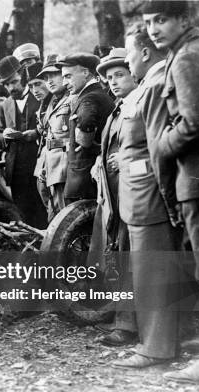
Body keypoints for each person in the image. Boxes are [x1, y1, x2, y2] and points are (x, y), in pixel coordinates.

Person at [140, 0, 199, 385]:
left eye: (161, 19)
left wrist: (160, 144)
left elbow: (195, 123)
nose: (154, 29)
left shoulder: (188, 57)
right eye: (148, 22)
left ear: (184, 19)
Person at [108, 25, 184, 369]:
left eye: (128, 54)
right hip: (137, 197)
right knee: (146, 270)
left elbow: (159, 151)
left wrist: (168, 201)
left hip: (149, 195)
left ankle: (156, 347)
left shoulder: (153, 87)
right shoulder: (143, 89)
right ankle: (154, 342)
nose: (126, 60)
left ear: (145, 52)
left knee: (153, 271)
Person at [89, 48, 138, 348]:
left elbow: (151, 150)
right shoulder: (119, 108)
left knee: (132, 258)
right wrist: (100, 160)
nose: (114, 82)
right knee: (117, 253)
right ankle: (122, 319)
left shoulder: (141, 104)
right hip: (115, 194)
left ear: (134, 74)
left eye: (120, 75)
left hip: (137, 193)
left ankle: (128, 325)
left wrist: (128, 164)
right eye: (109, 78)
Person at [0, 55, 47, 229]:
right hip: (16, 168)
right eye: (7, 84)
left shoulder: (40, 98)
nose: (11, 87)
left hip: (39, 164)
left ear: (23, 76)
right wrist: (5, 135)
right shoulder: (5, 105)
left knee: (43, 209)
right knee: (24, 212)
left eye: (14, 82)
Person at [56, 53, 114, 202]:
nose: (64, 83)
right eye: (63, 77)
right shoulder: (96, 94)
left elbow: (86, 129)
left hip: (83, 180)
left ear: (86, 72)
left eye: (68, 76)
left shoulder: (89, 98)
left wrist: (82, 140)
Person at [32, 55, 71, 221]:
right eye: (46, 78)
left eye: (53, 75)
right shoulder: (52, 102)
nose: (50, 81)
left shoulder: (73, 98)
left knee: (65, 217)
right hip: (49, 164)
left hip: (65, 166)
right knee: (53, 214)